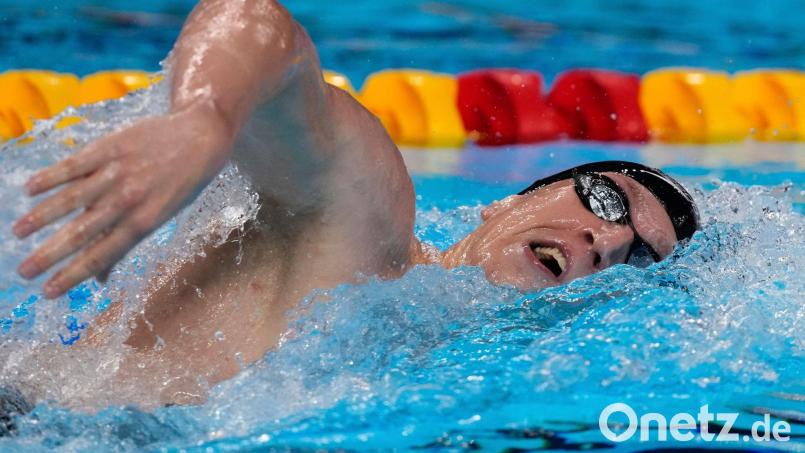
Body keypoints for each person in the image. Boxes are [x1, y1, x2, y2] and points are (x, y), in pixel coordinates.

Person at [11, 0, 698, 406]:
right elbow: (258, 23)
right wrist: (203, 120)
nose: (607, 242)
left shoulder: (444, 369)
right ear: (507, 201)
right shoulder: (371, 226)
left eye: (637, 258)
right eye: (606, 199)